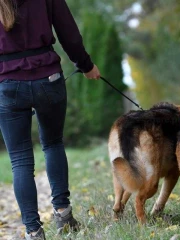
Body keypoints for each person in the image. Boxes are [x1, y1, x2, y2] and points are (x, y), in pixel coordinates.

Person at [0, 0, 101, 239]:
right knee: (53, 143)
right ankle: (63, 213)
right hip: (49, 78)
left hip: (7, 83)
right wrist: (86, 66)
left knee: (20, 160)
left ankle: (33, 231)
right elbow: (70, 33)